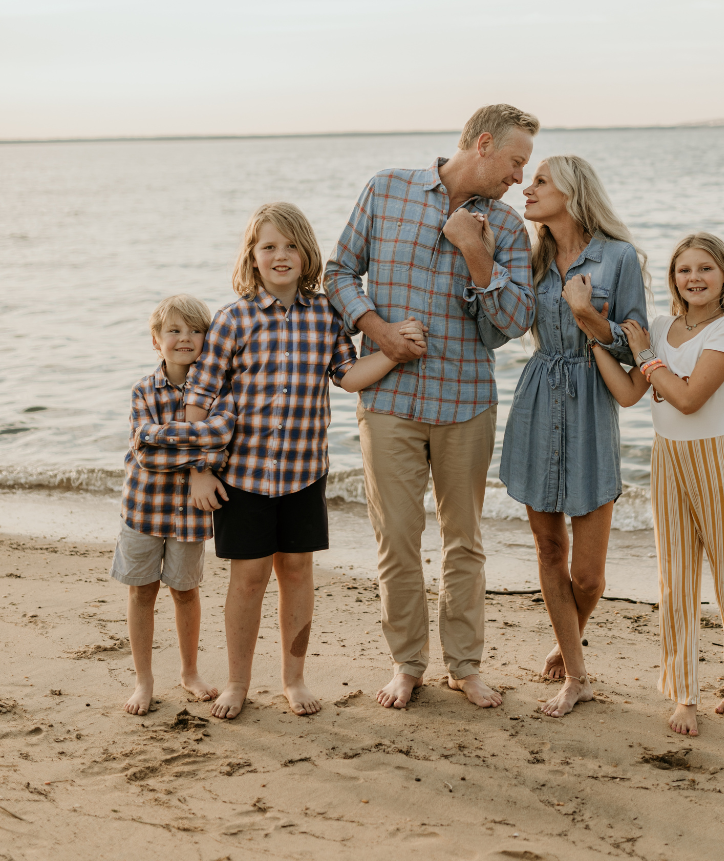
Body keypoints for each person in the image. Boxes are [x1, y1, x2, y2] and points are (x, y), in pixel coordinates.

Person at [324, 104, 539, 710]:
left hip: (466, 401)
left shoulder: (507, 229)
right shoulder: (386, 189)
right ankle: (407, 663)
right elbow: (339, 272)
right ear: (485, 144)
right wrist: (379, 330)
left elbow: (514, 323)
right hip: (389, 398)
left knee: (464, 541)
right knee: (396, 538)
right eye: (516, 162)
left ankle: (465, 666)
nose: (520, 177)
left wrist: (477, 253)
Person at [183, 202, 425, 720]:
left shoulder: (324, 315)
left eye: (291, 245)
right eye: (269, 246)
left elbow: (348, 374)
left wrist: (393, 352)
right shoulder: (233, 320)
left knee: (297, 572)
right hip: (241, 477)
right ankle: (236, 682)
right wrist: (199, 468)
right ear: (252, 256)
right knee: (247, 579)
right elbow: (198, 399)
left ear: (307, 253)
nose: (281, 255)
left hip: (302, 474)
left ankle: (293, 679)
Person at [589, 232, 724, 737]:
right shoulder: (660, 328)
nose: (695, 279)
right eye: (685, 270)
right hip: (667, 459)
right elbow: (627, 394)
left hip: (718, 458)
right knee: (675, 579)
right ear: (673, 279)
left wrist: (644, 356)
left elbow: (687, 399)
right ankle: (683, 693)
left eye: (705, 269)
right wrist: (592, 337)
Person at [498, 155, 649, 717]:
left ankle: (568, 638)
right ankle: (577, 674)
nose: (527, 189)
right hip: (538, 397)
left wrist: (588, 317)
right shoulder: (528, 258)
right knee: (547, 549)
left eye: (540, 181)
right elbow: (501, 323)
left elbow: (636, 349)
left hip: (592, 403)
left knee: (588, 575)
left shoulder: (619, 257)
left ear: (573, 191)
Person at [110, 294, 235, 716]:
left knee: (185, 590)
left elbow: (222, 444)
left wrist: (178, 441)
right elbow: (145, 451)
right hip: (144, 509)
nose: (186, 338)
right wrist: (198, 456)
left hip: (189, 514)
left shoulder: (220, 389)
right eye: (174, 330)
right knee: (142, 590)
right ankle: (143, 680)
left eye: (196, 330)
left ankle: (189, 671)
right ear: (156, 341)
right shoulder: (143, 390)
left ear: (209, 338)